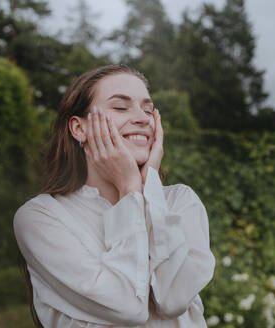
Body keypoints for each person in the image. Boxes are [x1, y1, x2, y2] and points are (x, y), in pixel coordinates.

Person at [13, 64, 215, 327]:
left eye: (147, 109)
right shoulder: (41, 217)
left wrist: (147, 191)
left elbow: (173, 299)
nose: (142, 118)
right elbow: (128, 306)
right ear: (79, 128)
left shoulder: (180, 202)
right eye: (120, 107)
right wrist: (130, 190)